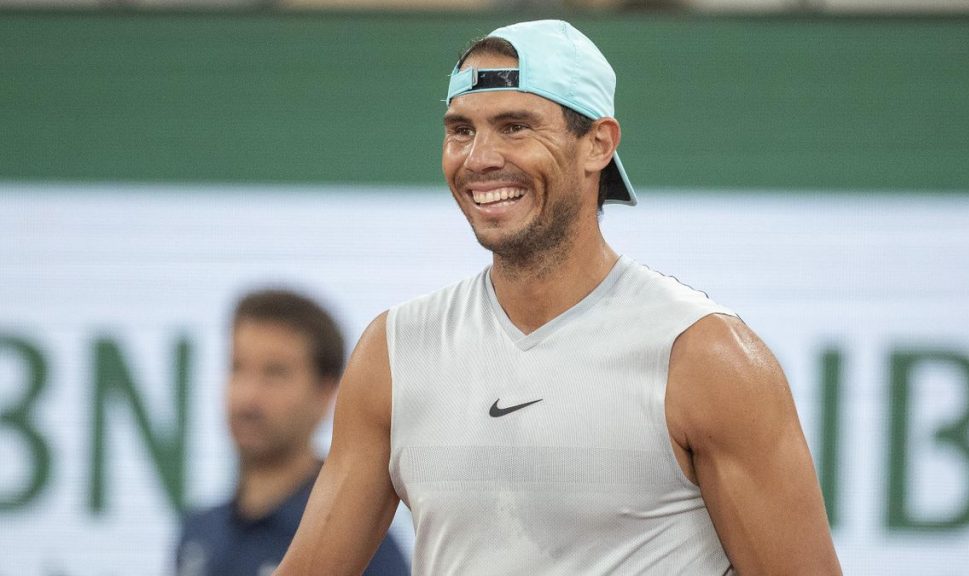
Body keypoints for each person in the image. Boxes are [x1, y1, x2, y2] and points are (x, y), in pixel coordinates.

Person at [275, 19, 842, 575]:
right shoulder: (396, 351)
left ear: (598, 143)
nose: (479, 159)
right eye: (461, 130)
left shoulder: (705, 358)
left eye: (515, 126)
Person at [175, 289, 409, 576]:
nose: (248, 397)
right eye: (237, 368)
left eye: (274, 373)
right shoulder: (199, 531)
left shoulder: (362, 543)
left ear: (327, 391)